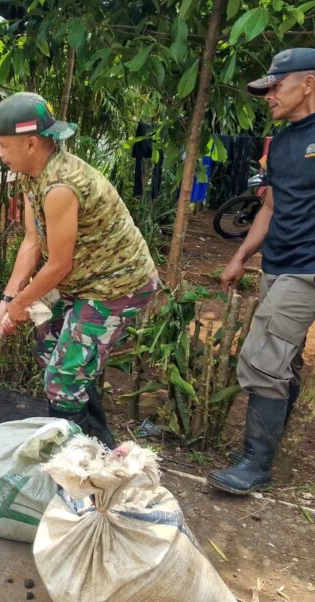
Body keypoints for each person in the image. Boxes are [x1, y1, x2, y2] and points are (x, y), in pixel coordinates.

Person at [0, 92, 158, 448]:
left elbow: (59, 264)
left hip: (116, 287)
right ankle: (96, 440)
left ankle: (85, 465)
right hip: (82, 280)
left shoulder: (60, 187)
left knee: (64, 380)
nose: (0, 154)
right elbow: (32, 241)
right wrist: (9, 297)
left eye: (4, 146)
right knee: (51, 349)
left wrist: (21, 305)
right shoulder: (32, 175)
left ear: (31, 143)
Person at [208, 48, 315, 495]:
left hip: (307, 269)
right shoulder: (285, 141)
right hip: (278, 261)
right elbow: (272, 205)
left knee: (263, 357)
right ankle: (267, 449)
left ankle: (256, 464)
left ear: (308, 83)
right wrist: (241, 256)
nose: (268, 95)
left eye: (277, 86)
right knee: (281, 357)